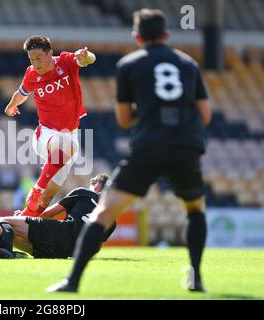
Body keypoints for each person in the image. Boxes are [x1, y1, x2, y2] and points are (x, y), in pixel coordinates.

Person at [47, 9, 211, 293]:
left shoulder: (129, 65)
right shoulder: (188, 64)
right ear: (166, 35)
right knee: (195, 211)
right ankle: (196, 278)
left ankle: (72, 282)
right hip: (185, 146)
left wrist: (148, 113)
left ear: (137, 37)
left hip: (147, 147)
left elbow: (124, 119)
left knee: (102, 214)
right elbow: (205, 115)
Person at [5, 35, 96, 217]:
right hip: (45, 135)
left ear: (50, 54)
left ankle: (23, 221)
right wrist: (12, 105)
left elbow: (88, 59)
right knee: (69, 146)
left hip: (68, 138)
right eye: (31, 59)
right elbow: (22, 92)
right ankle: (37, 188)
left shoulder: (65, 62)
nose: (35, 63)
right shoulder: (31, 73)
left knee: (47, 199)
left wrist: (86, 56)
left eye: (39, 58)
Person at [0, 174, 116, 259]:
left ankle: (5, 249)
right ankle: (8, 251)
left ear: (96, 186)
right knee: (14, 234)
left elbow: (46, 214)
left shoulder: (85, 193)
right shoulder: (112, 217)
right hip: (69, 252)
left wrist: (20, 217)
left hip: (62, 233)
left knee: (2, 221)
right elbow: (95, 247)